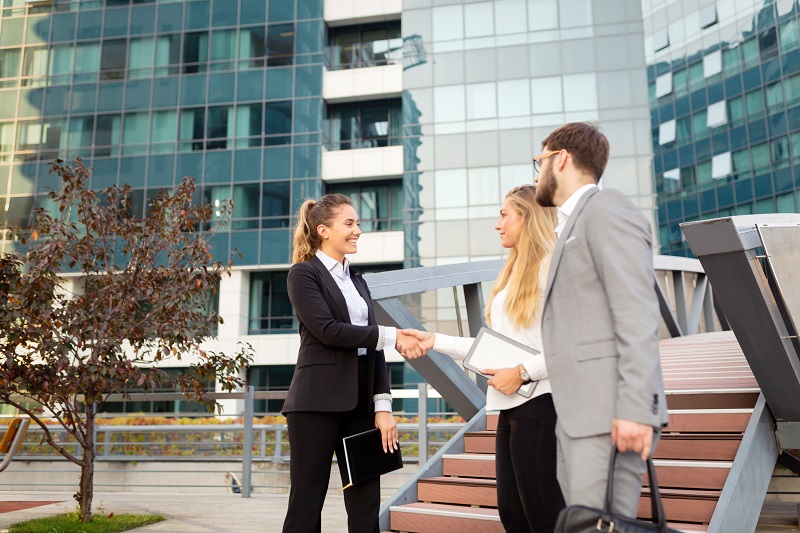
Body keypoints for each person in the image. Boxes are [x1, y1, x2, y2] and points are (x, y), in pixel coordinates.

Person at [404, 185, 566, 533]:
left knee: (543, 515)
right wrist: (435, 340)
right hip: (511, 407)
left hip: (541, 402)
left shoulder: (552, 267)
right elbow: (495, 347)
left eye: (505, 215)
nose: (498, 224)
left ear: (528, 217)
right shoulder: (514, 272)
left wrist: (522, 372)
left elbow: (572, 341)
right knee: (513, 514)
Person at [533, 122, 668, 517]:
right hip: (580, 417)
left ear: (561, 159)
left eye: (539, 162)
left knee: (601, 525)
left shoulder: (607, 209)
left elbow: (637, 312)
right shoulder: (572, 223)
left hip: (609, 415)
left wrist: (636, 409)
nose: (537, 175)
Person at [281, 193, 426, 533]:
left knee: (366, 499)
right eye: (349, 223)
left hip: (361, 404)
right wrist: (392, 335)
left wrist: (383, 406)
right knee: (307, 501)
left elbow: (373, 348)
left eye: (357, 223)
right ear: (323, 231)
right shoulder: (303, 274)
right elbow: (328, 331)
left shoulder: (358, 280)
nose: (357, 230)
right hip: (315, 404)